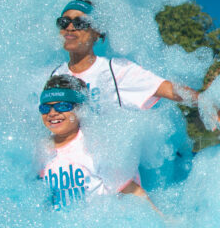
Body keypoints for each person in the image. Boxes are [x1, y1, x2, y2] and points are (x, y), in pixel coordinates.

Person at [51, 0, 220, 132]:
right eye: (64, 22)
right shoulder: (54, 75)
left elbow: (170, 89)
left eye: (80, 22)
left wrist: (206, 103)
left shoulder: (115, 70)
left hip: (111, 180)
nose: (70, 27)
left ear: (97, 32)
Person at [38, 74, 156, 211]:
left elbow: (131, 190)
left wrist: (163, 221)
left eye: (62, 106)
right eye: (45, 108)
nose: (52, 113)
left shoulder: (94, 145)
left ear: (80, 109)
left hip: (100, 224)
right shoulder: (42, 150)